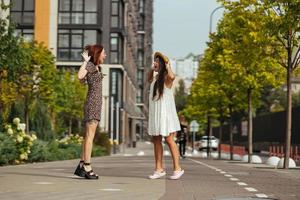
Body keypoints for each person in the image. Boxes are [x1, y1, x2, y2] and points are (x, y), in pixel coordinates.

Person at [148, 51, 184, 180]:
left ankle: (177, 168)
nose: (155, 63)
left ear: (163, 64)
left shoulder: (167, 79)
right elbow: (148, 78)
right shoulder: (155, 79)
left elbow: (173, 76)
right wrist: (152, 69)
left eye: (157, 61)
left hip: (166, 115)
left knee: (169, 140)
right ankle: (159, 169)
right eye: (155, 61)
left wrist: (168, 65)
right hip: (156, 114)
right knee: (156, 140)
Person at [74, 44, 106, 179]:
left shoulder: (97, 67)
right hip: (92, 104)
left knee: (88, 136)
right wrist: (86, 61)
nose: (105, 55)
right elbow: (80, 76)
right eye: (103, 53)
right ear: (97, 54)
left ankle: (82, 165)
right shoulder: (91, 66)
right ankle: (87, 166)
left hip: (95, 104)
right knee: (90, 136)